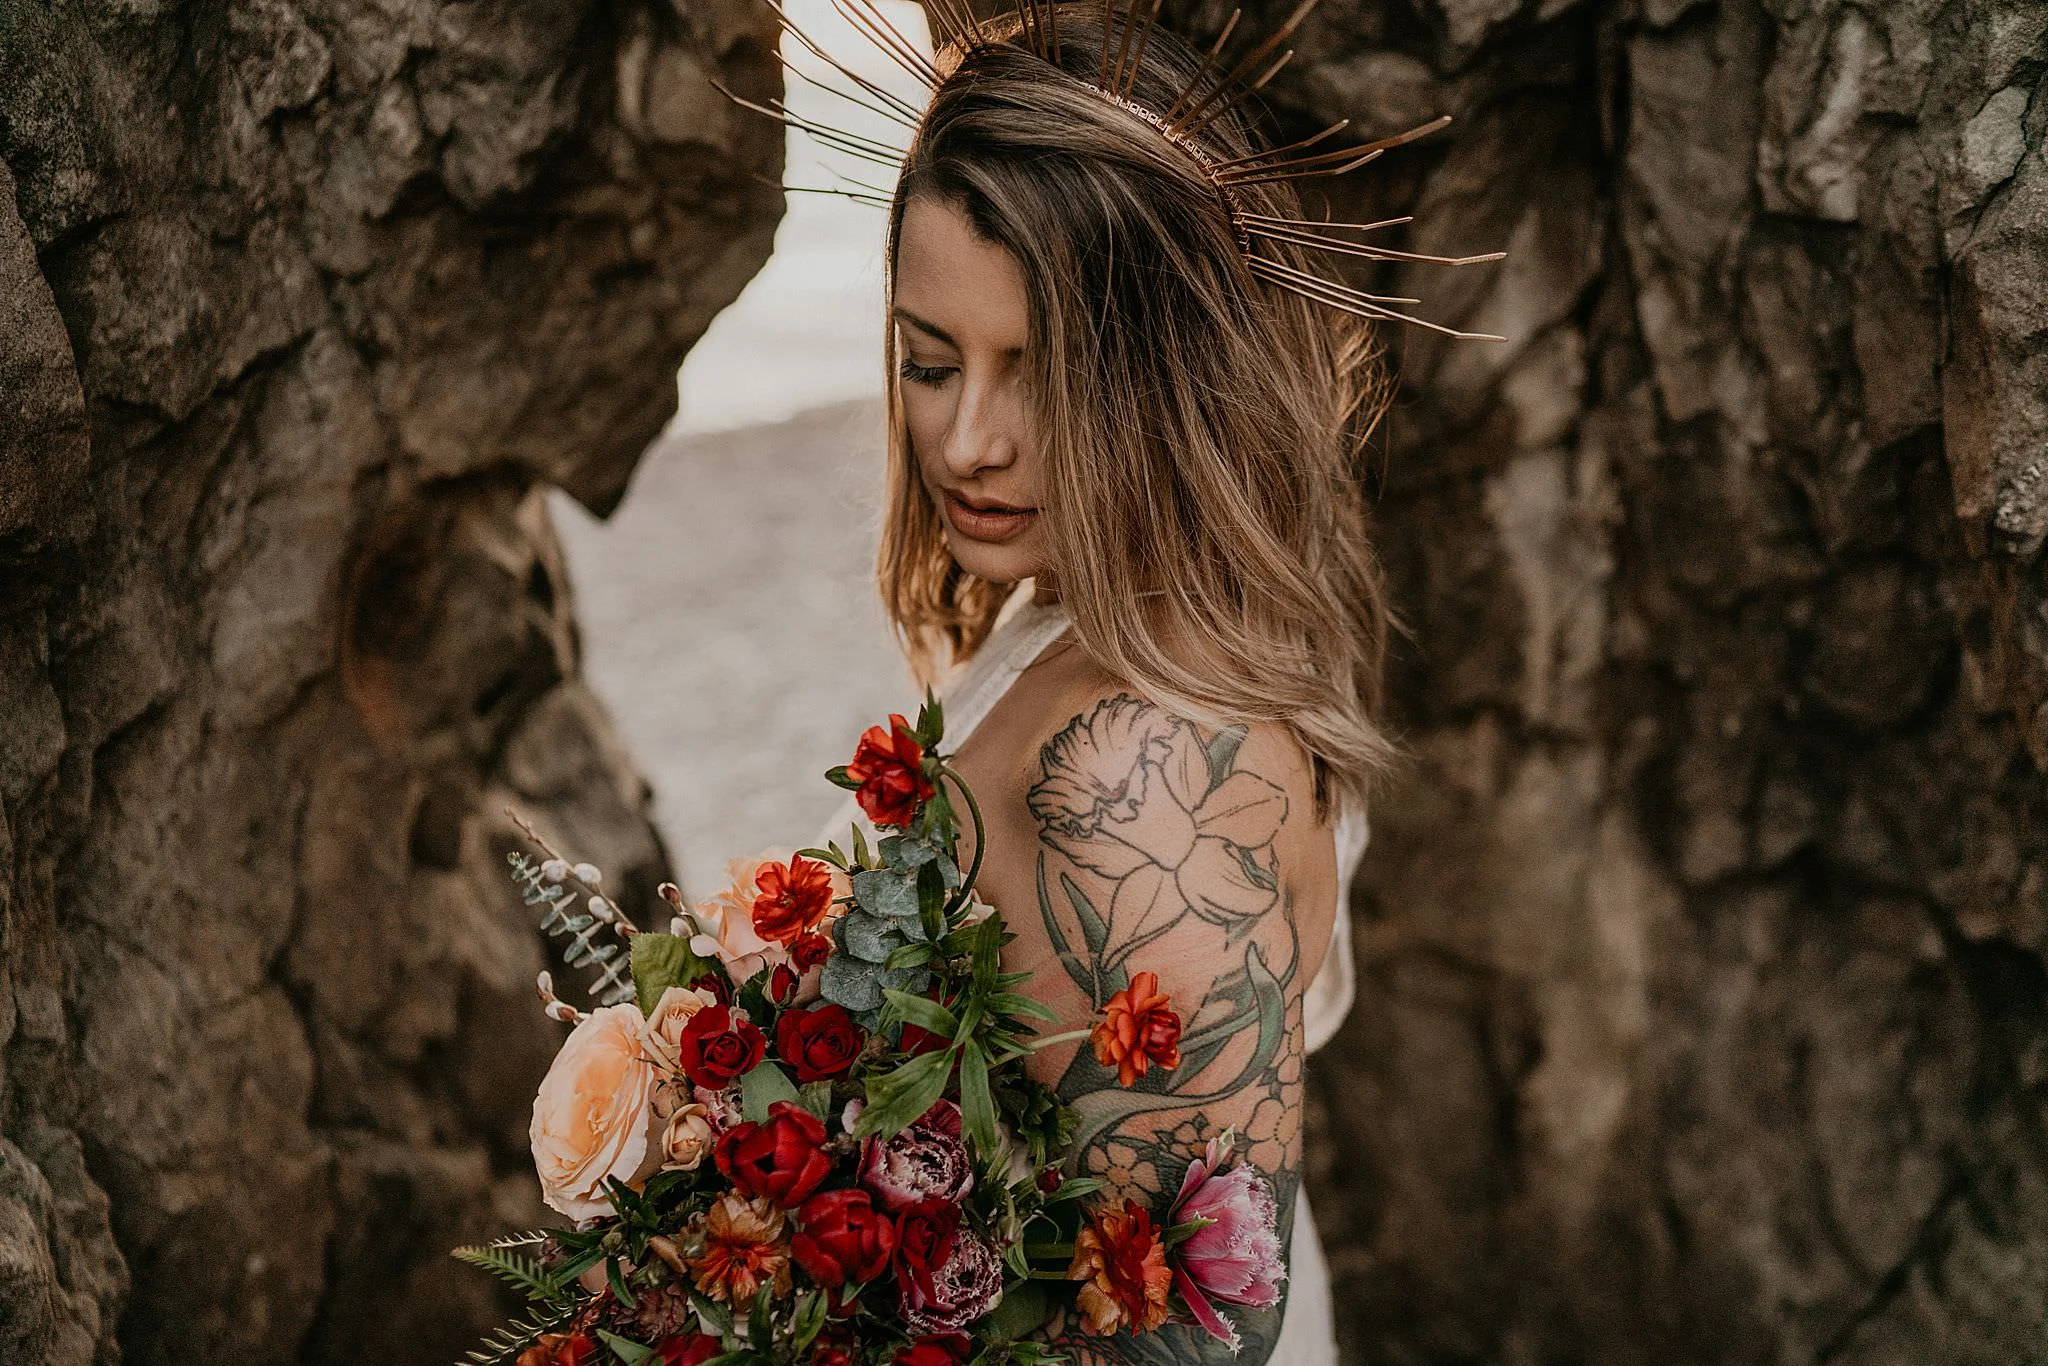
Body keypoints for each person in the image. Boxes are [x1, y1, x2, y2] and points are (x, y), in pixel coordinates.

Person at [803, 5, 1448, 1362]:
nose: (967, 439)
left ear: (1163, 374)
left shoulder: (1142, 781)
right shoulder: (1132, 611)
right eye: (930, 361)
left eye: (1038, 373)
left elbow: (1198, 1340)